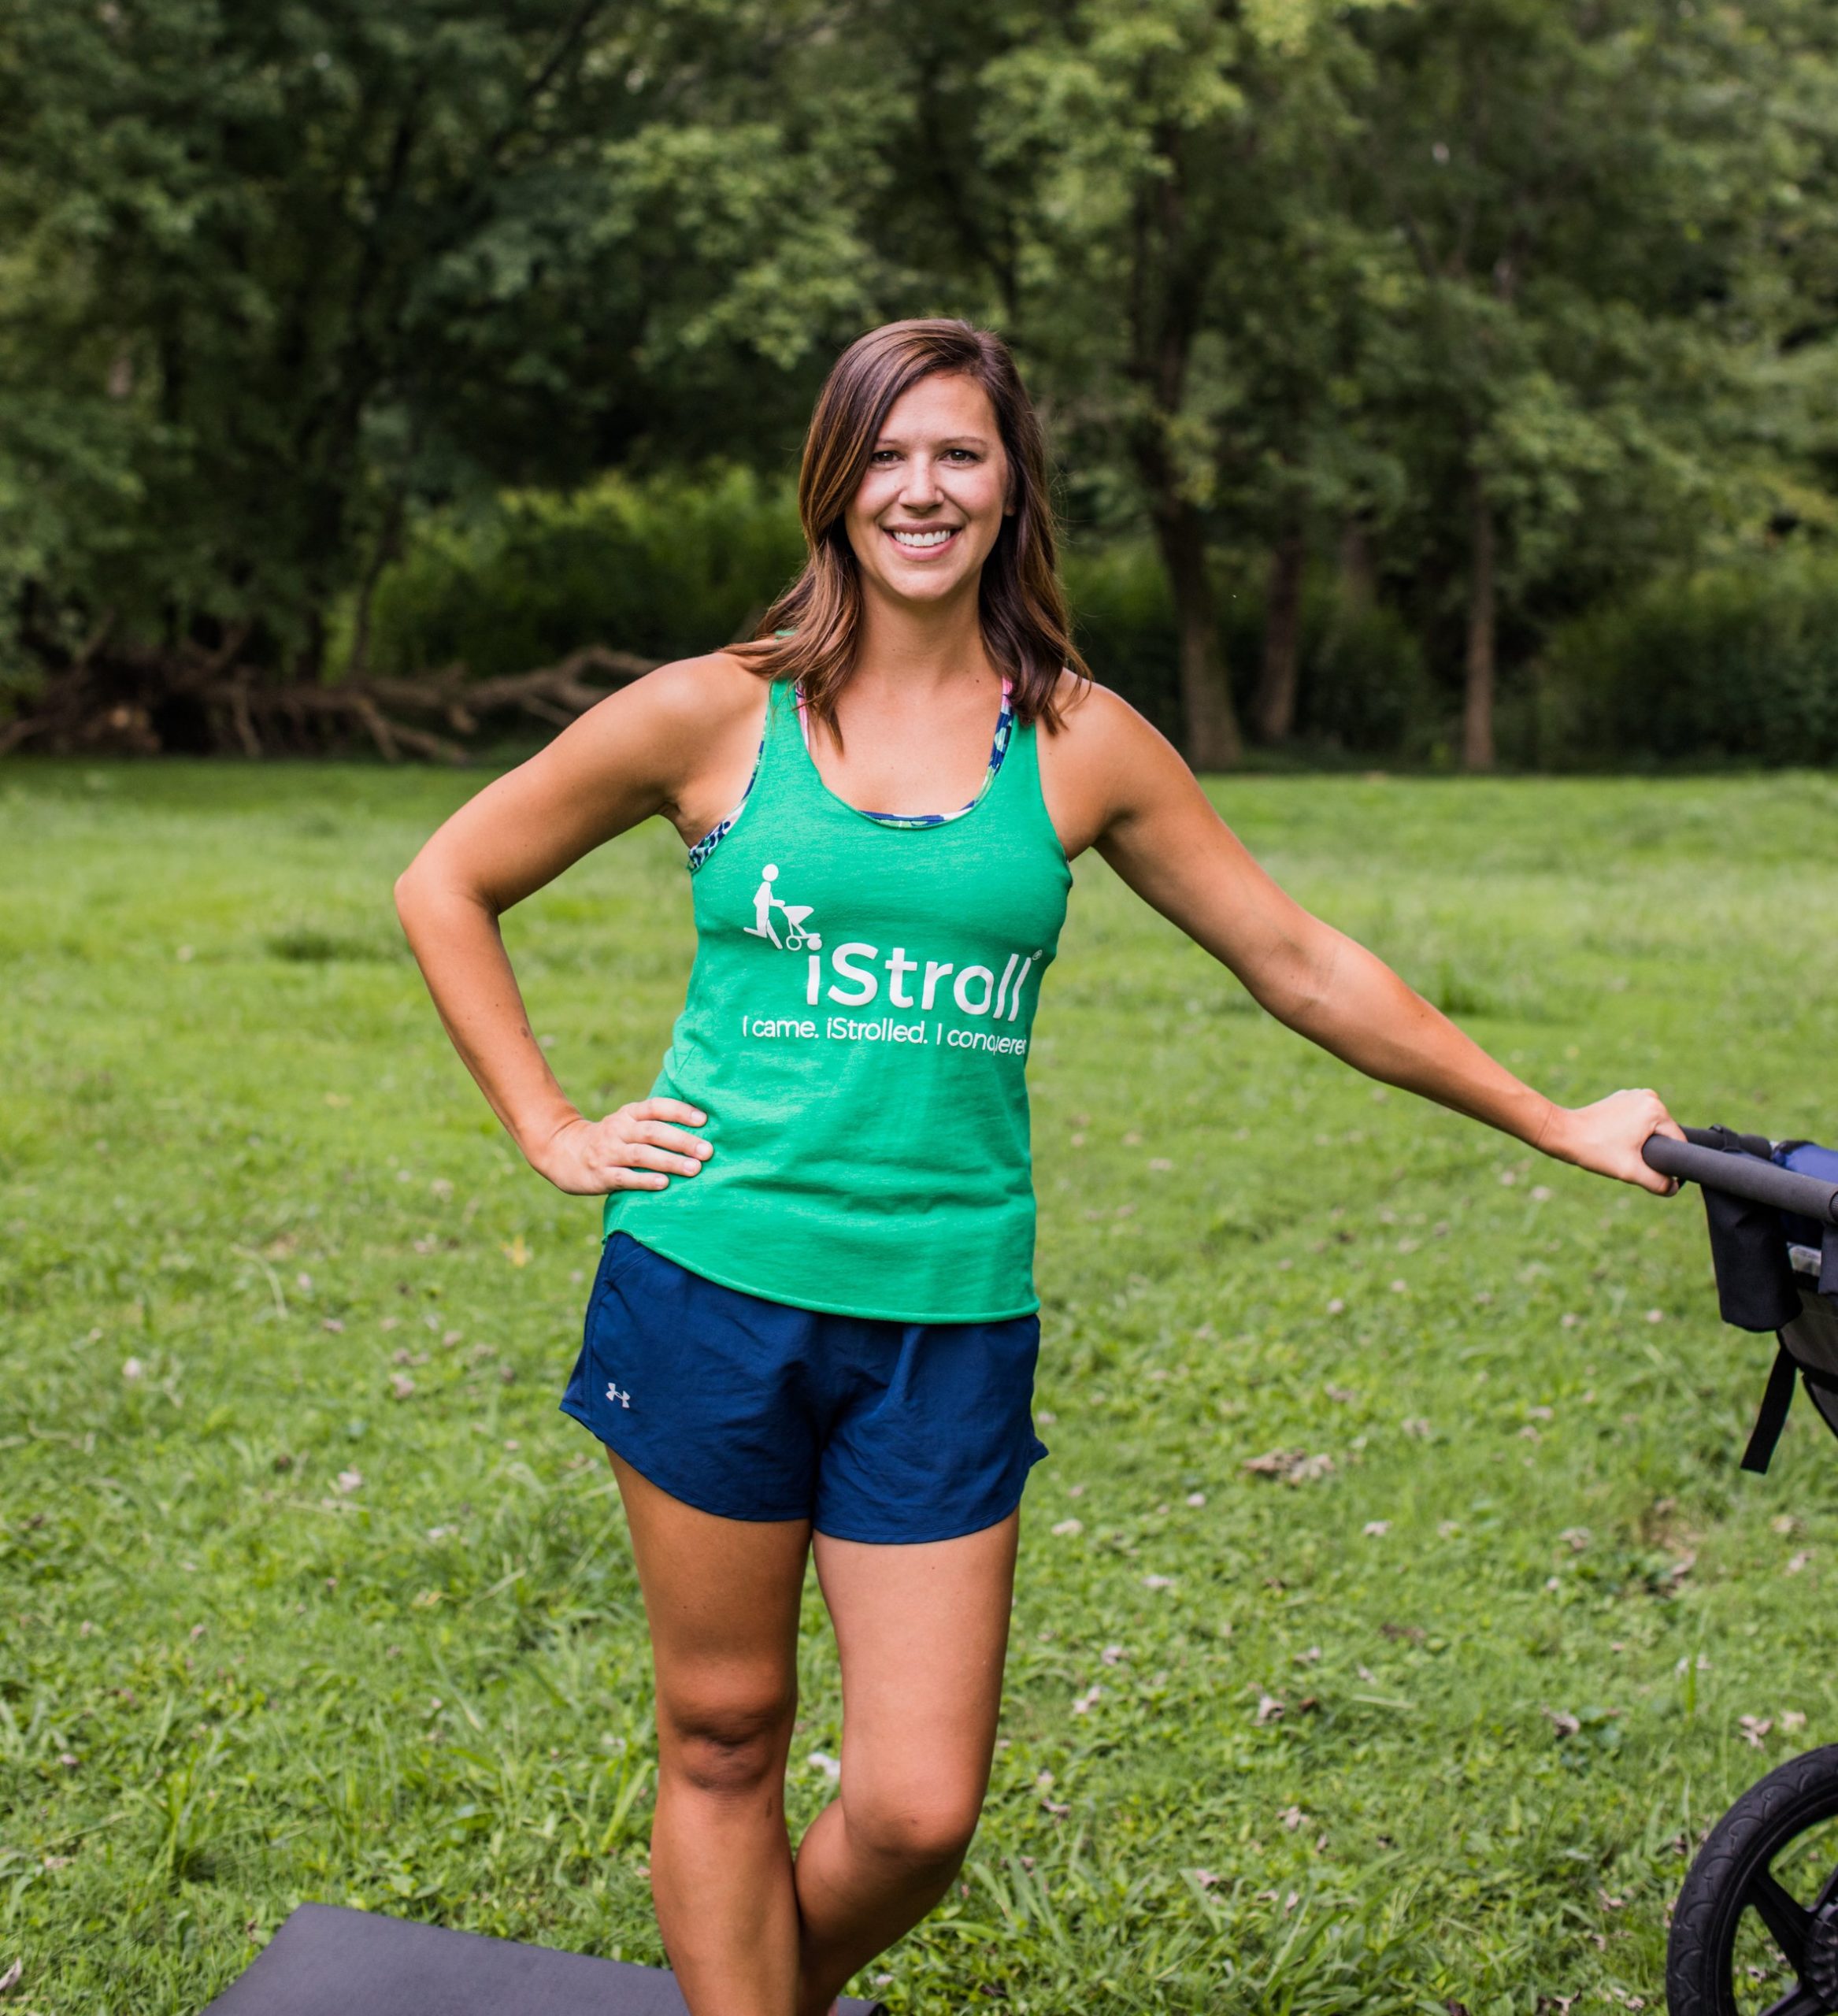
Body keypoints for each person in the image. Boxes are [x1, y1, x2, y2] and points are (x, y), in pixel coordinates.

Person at [393, 317, 1682, 2016]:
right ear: (834, 481)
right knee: (723, 1732)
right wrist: (553, 1127)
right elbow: (446, 879)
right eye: (888, 452)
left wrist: (1551, 1115)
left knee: (919, 1807)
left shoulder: (1080, 741)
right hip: (708, 1286)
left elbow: (1299, 963)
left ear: (1012, 489)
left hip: (948, 1313)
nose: (920, 488)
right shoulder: (718, 714)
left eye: (961, 454)